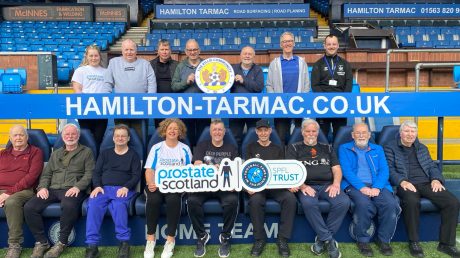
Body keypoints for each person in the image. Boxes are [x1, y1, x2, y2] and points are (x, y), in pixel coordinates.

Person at [384, 120, 460, 258]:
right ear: (400, 133)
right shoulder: (390, 147)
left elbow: (431, 166)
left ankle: (446, 244)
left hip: (426, 183)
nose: (410, 134)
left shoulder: (422, 148)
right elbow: (389, 169)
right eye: (407, 131)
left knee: (452, 202)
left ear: (416, 134)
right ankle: (414, 242)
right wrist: (402, 181)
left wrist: (436, 179)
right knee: (412, 202)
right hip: (406, 184)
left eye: (413, 132)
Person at [24, 123, 94, 258]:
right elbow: (46, 174)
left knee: (68, 204)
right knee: (29, 207)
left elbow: (89, 174)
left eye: (73, 134)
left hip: (73, 189)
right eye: (67, 134)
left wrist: (77, 187)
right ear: (62, 136)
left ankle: (61, 242)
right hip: (53, 189)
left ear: (78, 136)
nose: (70, 136)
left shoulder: (86, 152)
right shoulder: (55, 154)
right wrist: (42, 187)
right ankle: (42, 242)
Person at [286, 119, 350, 258]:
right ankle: (328, 240)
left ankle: (321, 239)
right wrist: (303, 185)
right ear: (302, 132)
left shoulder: (327, 147)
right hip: (306, 186)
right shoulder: (294, 147)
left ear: (318, 132)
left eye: (313, 131)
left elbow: (337, 169)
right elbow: (290, 170)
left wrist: (336, 184)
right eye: (307, 131)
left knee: (343, 202)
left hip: (327, 185)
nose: (311, 134)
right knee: (309, 203)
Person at [339, 123, 401, 257]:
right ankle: (362, 240)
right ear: (352, 135)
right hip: (354, 185)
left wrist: (377, 187)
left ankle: (383, 240)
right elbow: (346, 171)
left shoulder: (377, 149)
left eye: (364, 132)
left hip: (378, 185)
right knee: (363, 204)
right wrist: (362, 187)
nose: (361, 135)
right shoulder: (344, 148)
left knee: (390, 204)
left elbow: (385, 170)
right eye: (357, 133)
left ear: (369, 134)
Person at [85, 124, 141, 258]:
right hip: (103, 189)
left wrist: (126, 187)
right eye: (117, 136)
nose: (120, 138)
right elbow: (96, 172)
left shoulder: (133, 154)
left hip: (124, 189)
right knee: (93, 204)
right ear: (113, 138)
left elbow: (136, 175)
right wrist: (97, 186)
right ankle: (92, 246)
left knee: (118, 206)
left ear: (128, 138)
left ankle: (123, 243)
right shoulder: (105, 153)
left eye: (123, 136)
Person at [188, 119, 239, 258]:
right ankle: (202, 236)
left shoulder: (231, 148)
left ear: (224, 132)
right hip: (204, 185)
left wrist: (233, 184)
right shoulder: (202, 145)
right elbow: (197, 163)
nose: (217, 132)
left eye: (220, 129)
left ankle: (225, 237)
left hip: (223, 186)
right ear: (210, 132)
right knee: (192, 200)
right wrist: (210, 167)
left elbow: (236, 168)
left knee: (232, 201)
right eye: (214, 129)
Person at [245, 119, 296, 257]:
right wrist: (247, 187)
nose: (263, 133)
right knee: (255, 201)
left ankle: (283, 239)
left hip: (275, 187)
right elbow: (245, 170)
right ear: (256, 132)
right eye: (260, 130)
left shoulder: (278, 149)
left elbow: (282, 171)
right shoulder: (250, 147)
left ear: (270, 131)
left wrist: (289, 183)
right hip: (258, 187)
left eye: (265, 130)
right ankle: (259, 239)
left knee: (290, 199)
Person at [143, 118, 192, 258]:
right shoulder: (157, 148)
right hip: (157, 184)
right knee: (153, 200)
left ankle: (170, 240)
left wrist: (182, 183)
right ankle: (150, 240)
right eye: (169, 128)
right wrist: (150, 183)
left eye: (176, 129)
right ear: (164, 130)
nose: (172, 131)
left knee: (173, 201)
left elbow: (189, 171)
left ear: (180, 132)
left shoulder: (185, 149)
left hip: (176, 186)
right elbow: (149, 170)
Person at [0, 125, 43, 258]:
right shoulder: (2, 154)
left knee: (11, 202)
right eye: (15, 135)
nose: (18, 138)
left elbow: (31, 177)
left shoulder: (35, 152)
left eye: (21, 135)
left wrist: (8, 193)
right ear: (10, 138)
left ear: (27, 137)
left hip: (25, 190)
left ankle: (14, 245)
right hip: (2, 190)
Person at [104, 38, 157, 139]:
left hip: (141, 107)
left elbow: (152, 84)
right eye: (126, 49)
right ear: (122, 50)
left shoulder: (145, 64)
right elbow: (107, 83)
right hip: (120, 107)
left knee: (140, 137)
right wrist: (107, 98)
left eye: (131, 49)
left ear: (136, 51)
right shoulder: (113, 63)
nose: (129, 52)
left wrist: (150, 100)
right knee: (121, 136)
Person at [266, 31, 310, 145]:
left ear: (294, 43)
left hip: (298, 106)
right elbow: (269, 85)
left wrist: (302, 100)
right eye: (285, 41)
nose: (287, 44)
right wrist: (276, 101)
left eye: (290, 41)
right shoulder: (274, 63)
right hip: (280, 106)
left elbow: (306, 84)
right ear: (281, 44)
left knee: (299, 138)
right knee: (280, 138)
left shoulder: (301, 62)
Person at [311, 34, 353, 141]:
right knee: (322, 137)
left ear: (338, 45)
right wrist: (326, 100)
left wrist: (341, 100)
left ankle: (337, 157)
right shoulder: (318, 64)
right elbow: (315, 85)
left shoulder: (345, 64)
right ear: (324, 46)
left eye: (334, 44)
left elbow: (348, 84)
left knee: (340, 137)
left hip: (340, 106)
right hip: (323, 106)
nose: (331, 46)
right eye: (329, 44)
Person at [72, 44, 111, 146]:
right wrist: (86, 103)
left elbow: (108, 90)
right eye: (91, 56)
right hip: (85, 109)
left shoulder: (106, 72)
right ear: (86, 57)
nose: (94, 58)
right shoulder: (80, 71)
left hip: (101, 110)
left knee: (98, 139)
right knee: (87, 139)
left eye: (96, 56)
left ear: (100, 56)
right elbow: (77, 89)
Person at [171, 39, 206, 146]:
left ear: (199, 50)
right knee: (186, 138)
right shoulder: (180, 66)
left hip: (204, 108)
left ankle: (202, 161)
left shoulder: (207, 65)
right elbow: (174, 86)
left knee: (203, 137)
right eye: (190, 50)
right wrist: (186, 82)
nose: (192, 52)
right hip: (186, 108)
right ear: (186, 52)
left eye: (195, 49)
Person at [229, 46, 264, 146]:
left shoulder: (258, 70)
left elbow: (258, 87)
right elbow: (225, 86)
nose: (247, 56)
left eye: (250, 54)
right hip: (236, 109)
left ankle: (252, 159)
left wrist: (243, 80)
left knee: (253, 137)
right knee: (235, 138)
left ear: (254, 56)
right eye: (245, 54)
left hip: (253, 109)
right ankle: (236, 159)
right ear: (240, 55)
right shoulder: (232, 69)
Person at [150, 39, 179, 129]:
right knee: (159, 128)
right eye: (162, 49)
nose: (164, 52)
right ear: (158, 51)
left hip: (174, 102)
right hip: (157, 101)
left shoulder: (177, 65)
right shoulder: (150, 65)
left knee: (173, 127)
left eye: (166, 49)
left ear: (170, 51)